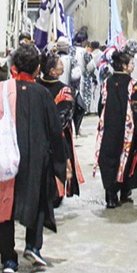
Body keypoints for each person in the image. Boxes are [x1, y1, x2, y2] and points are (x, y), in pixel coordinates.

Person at [0, 42, 67, 273]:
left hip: (7, 158)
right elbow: (55, 131)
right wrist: (62, 163)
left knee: (4, 209)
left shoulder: (1, 89)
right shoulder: (42, 94)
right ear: (37, 69)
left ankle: (9, 259)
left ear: (14, 66)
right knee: (39, 200)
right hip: (36, 159)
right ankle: (32, 245)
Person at [96, 48, 137, 208]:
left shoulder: (106, 83)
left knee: (108, 159)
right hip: (127, 132)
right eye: (131, 63)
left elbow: (100, 107)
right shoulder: (134, 85)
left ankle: (110, 196)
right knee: (127, 159)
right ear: (124, 66)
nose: (133, 66)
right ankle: (124, 192)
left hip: (108, 129)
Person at [38, 52, 80, 205]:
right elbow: (66, 115)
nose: (62, 64)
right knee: (59, 163)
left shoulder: (36, 86)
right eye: (59, 63)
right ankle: (57, 193)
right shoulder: (65, 90)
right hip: (59, 136)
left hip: (38, 134)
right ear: (52, 71)